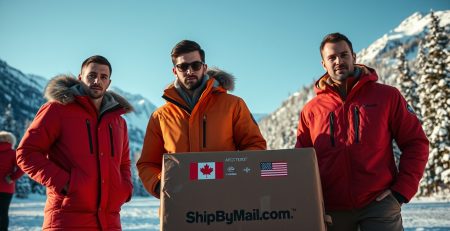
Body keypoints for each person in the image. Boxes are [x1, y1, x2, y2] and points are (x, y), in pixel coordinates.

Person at [295, 33, 429, 231]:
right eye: (332, 57)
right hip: (332, 210)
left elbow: (416, 142)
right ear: (324, 64)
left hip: (379, 205)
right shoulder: (311, 110)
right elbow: (301, 161)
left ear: (354, 57)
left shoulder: (387, 96)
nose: (339, 61)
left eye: (344, 55)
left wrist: (401, 192)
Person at [137, 40, 266, 198]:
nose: (190, 71)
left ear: (204, 68)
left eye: (195, 65)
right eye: (183, 67)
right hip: (178, 208)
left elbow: (254, 146)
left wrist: (237, 176)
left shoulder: (233, 105)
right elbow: (148, 164)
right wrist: (160, 185)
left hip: (227, 204)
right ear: (174, 71)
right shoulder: (161, 117)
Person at [16, 55, 133, 230]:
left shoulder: (118, 122)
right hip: (66, 220)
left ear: (109, 82)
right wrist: (65, 183)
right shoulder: (57, 109)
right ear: (80, 78)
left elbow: (124, 163)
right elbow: (26, 153)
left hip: (109, 223)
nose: (97, 81)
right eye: (91, 75)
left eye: (103, 77)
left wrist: (124, 189)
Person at [0, 131, 24, 231]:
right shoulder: (13, 153)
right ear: (11, 141)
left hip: (6, 188)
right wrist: (12, 178)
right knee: (3, 213)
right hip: (6, 188)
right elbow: (22, 168)